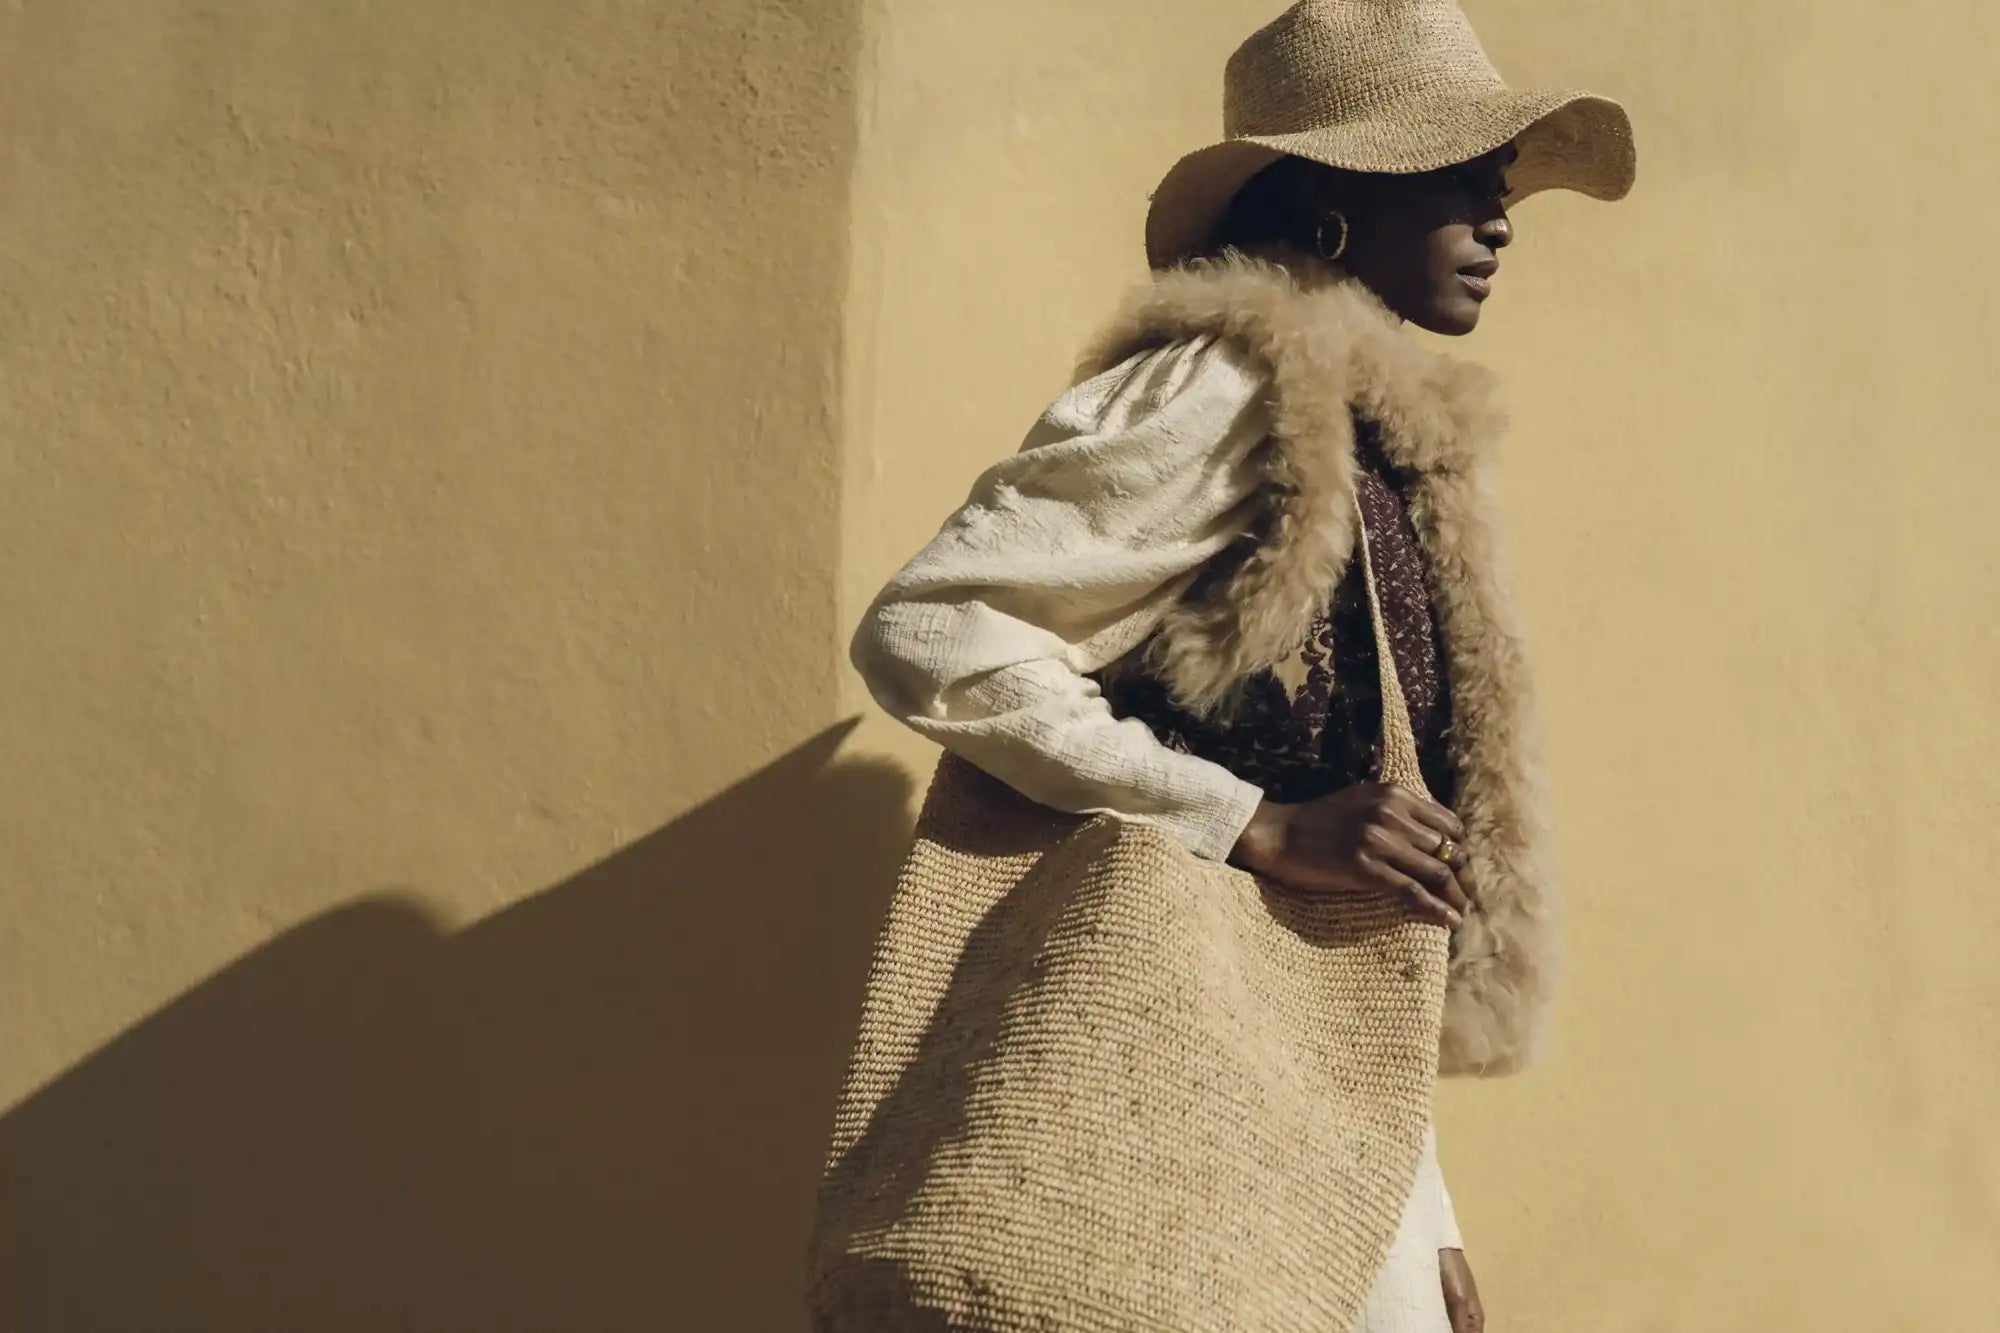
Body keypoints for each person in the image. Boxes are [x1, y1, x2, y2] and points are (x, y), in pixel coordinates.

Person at [846, 2, 1634, 1328]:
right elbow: (935, 625)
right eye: (1458, 181)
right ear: (1333, 203)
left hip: (1315, 1099)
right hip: (1179, 1078)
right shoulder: (1227, 384)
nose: (1499, 222)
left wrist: (1422, 1202)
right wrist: (1247, 820)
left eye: (1500, 188)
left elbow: (1352, 904)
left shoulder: (1378, 443)